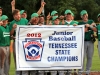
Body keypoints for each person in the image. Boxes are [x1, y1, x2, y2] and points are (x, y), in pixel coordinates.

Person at [9, 9, 28, 75]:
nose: (19, 16)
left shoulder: (25, 21)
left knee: (25, 58)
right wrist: (13, 28)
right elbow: (10, 35)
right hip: (16, 43)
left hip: (25, 43)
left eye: (19, 14)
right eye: (17, 14)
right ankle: (18, 72)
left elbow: (30, 30)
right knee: (16, 59)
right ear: (14, 16)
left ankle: (24, 72)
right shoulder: (12, 23)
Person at [78, 10, 97, 75]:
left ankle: (87, 71)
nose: (85, 16)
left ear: (87, 15)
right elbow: (82, 31)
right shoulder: (80, 23)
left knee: (89, 57)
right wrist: (87, 26)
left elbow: (95, 29)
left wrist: (90, 25)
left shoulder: (91, 21)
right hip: (83, 42)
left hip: (91, 41)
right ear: (81, 16)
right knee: (82, 57)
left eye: (85, 14)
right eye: (83, 15)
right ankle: (80, 71)